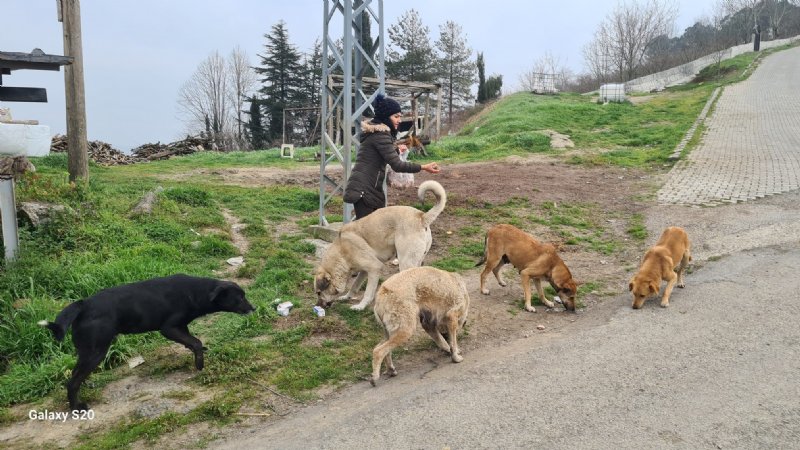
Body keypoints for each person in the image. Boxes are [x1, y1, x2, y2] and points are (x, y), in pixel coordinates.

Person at [343, 94, 441, 219]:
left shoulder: (377, 134)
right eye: (396, 116)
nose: (399, 120)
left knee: (374, 231)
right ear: (385, 117)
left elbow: (380, 152)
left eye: (400, 116)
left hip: (368, 188)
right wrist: (423, 167)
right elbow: (397, 165)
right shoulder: (380, 135)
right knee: (369, 234)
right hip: (364, 190)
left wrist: (395, 149)